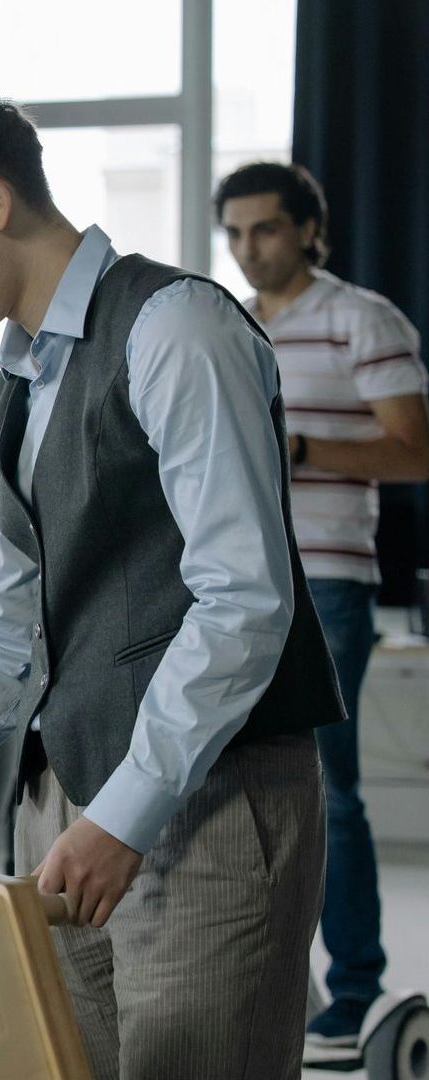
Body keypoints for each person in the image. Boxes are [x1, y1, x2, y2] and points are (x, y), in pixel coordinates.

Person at [0, 66, 339, 1079]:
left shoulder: (177, 328)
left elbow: (245, 602)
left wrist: (124, 815)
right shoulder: (3, 397)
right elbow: (4, 640)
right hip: (61, 812)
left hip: (207, 805)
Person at [216, 160, 428, 1046]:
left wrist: (295, 447)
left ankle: (354, 993)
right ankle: (276, 989)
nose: (247, 248)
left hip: (329, 583)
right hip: (233, 586)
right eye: (233, 233)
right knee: (240, 793)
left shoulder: (360, 317)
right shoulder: (225, 325)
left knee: (330, 791)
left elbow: (414, 451)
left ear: (308, 227)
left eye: (264, 229)